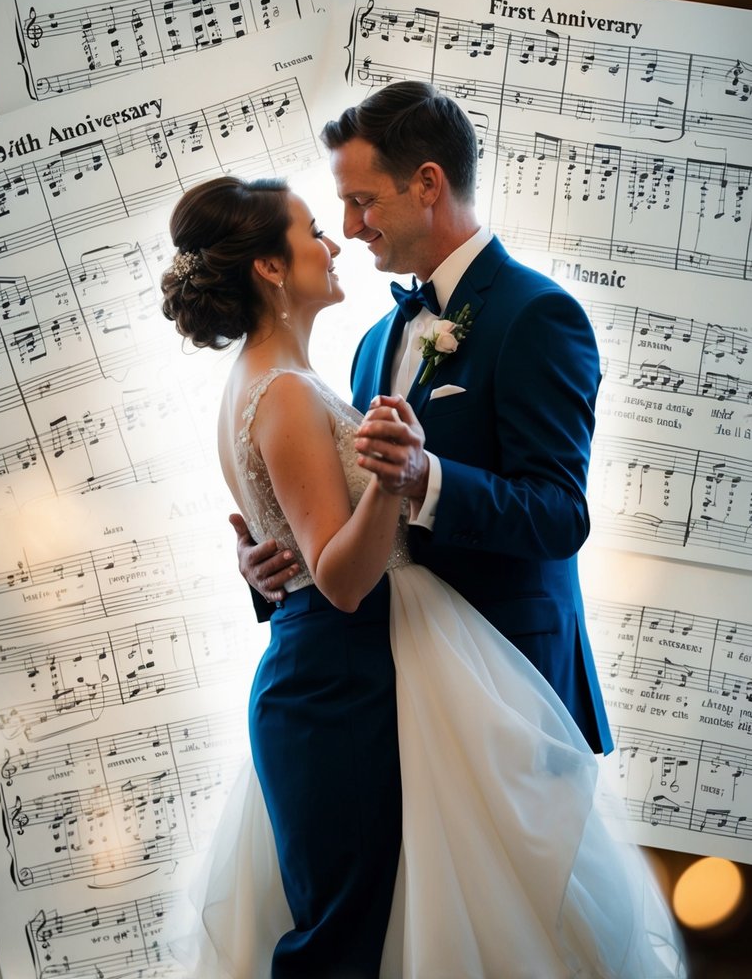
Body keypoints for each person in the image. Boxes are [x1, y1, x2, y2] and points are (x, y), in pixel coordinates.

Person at [162, 174, 685, 979]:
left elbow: (301, 537)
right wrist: (392, 478)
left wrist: (287, 545)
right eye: (312, 230)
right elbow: (339, 575)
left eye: (352, 208)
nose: (337, 238)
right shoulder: (291, 389)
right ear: (269, 268)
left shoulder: (303, 374)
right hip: (344, 681)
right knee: (353, 937)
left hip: (401, 673)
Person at [235, 80, 612, 757]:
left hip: (517, 692)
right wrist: (277, 568)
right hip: (396, 697)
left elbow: (559, 515)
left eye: (361, 201)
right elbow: (350, 526)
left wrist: (424, 476)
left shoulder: (536, 315)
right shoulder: (375, 341)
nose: (349, 227)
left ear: (428, 183)